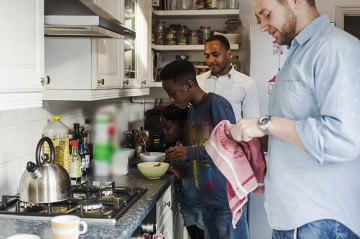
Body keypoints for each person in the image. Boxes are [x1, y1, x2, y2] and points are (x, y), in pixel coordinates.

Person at [230, 0, 360, 238]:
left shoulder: (334, 48)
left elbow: (343, 139)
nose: (263, 26)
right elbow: (296, 129)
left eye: (267, 14)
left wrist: (264, 124)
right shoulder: (299, 53)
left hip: (320, 220)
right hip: (292, 216)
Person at [161, 59, 247, 239]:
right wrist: (182, 170)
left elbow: (229, 148)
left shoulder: (216, 104)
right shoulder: (192, 111)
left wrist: (189, 152)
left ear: (189, 85)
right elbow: (202, 154)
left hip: (226, 200)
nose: (171, 99)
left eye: (172, 93)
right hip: (207, 200)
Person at [137, 104, 205, 239]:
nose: (164, 132)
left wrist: (182, 173)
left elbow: (206, 175)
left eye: (168, 128)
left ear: (183, 124)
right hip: (189, 207)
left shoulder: (197, 147)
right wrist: (148, 144)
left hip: (202, 210)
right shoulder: (178, 145)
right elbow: (164, 154)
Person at [197, 34, 260, 121]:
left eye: (215, 55)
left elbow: (251, 122)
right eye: (207, 56)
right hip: (203, 134)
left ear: (228, 54)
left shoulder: (247, 83)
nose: (211, 60)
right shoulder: (197, 81)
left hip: (233, 134)